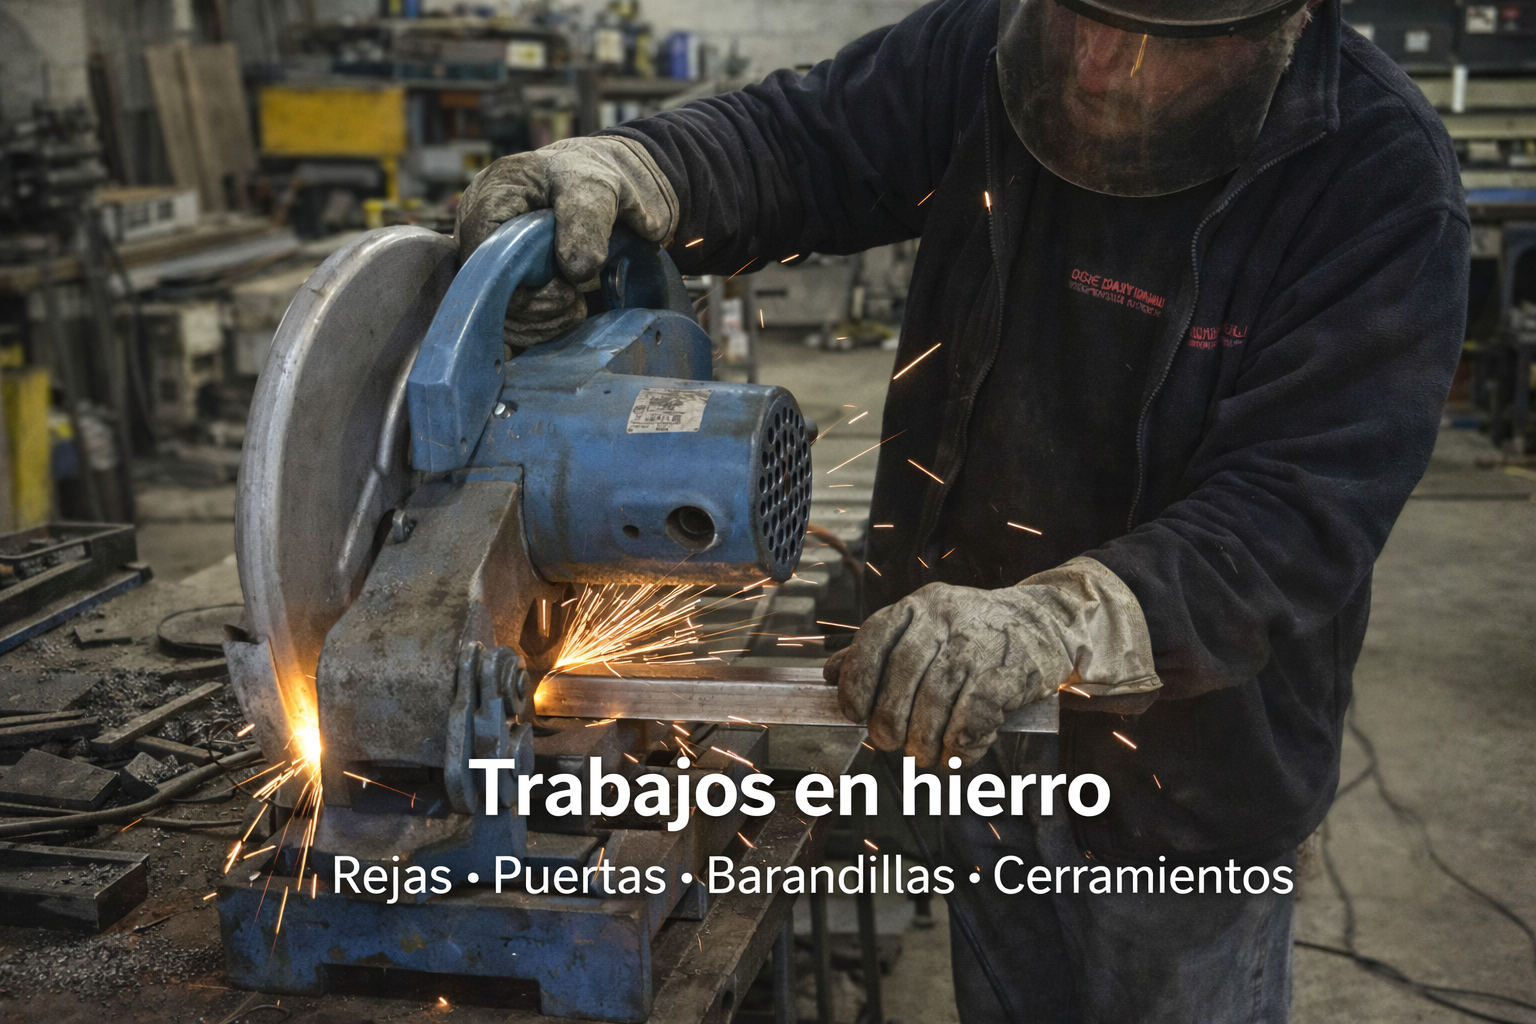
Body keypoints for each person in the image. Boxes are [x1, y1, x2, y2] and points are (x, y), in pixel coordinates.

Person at [455, 0, 1470, 1018]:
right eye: (1077, 19)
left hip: (1189, 789)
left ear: (1281, 25)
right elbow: (808, 139)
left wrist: (1054, 619)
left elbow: (1295, 513)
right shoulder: (995, 46)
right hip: (976, 745)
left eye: (1154, 46)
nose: (1099, 67)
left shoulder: (1377, 182)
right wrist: (642, 168)